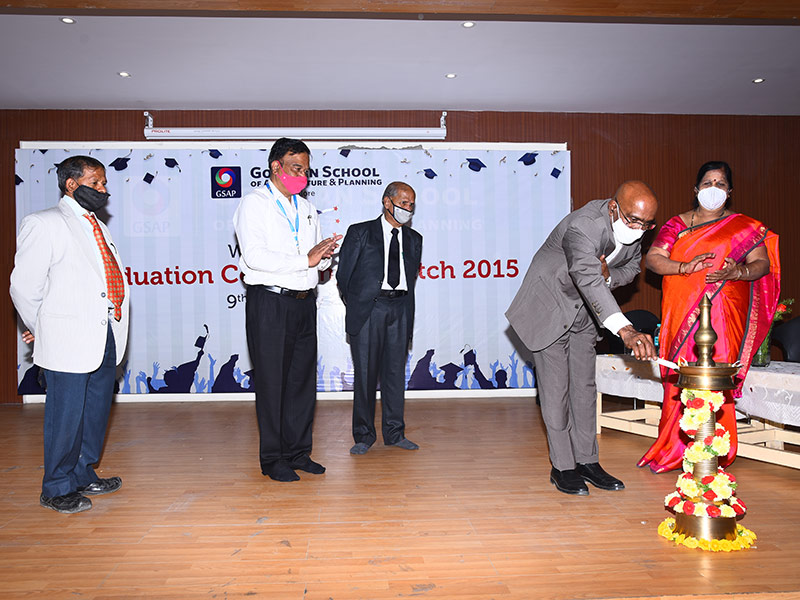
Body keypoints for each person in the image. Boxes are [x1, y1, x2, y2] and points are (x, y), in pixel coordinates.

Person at [506, 181, 658, 495]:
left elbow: (631, 268)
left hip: (586, 312)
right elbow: (586, 275)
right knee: (556, 390)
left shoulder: (636, 229)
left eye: (646, 224)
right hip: (550, 306)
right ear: (614, 208)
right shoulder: (584, 225)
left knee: (584, 387)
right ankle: (563, 467)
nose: (639, 229)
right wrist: (626, 329)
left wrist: (610, 276)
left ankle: (588, 461)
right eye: (633, 220)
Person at [638, 161, 780, 473]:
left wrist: (737, 272)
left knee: (717, 375)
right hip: (681, 311)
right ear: (696, 189)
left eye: (720, 183)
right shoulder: (677, 225)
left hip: (723, 313)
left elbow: (762, 264)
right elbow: (654, 259)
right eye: (707, 183)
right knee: (681, 372)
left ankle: (716, 449)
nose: (713, 188)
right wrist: (684, 267)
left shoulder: (744, 227)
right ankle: (674, 447)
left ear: (729, 191)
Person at [10, 155, 129, 513]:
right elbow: (23, 287)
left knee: (94, 412)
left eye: (104, 183)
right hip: (66, 339)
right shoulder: (43, 223)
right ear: (71, 184)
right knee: (65, 416)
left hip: (105, 333)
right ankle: (56, 487)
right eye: (96, 183)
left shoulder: (98, 225)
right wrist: (42, 328)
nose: (103, 189)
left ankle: (82, 473)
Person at [233, 138, 341, 482]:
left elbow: (314, 262)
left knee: (301, 382)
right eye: (296, 168)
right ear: (275, 166)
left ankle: (298, 453)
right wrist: (305, 260)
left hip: (304, 302)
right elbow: (255, 256)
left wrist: (323, 258)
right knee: (273, 382)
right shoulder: (255, 203)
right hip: (271, 303)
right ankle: (273, 458)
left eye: (306, 170)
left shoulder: (306, 208)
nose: (302, 176)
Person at [336, 182, 423, 454]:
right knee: (365, 375)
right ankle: (363, 436)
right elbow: (344, 276)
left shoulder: (414, 239)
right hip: (369, 310)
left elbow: (410, 278)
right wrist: (360, 305)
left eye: (411, 204)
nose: (408, 208)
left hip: (400, 310)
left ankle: (395, 434)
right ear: (387, 202)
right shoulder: (360, 232)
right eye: (403, 203)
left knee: (395, 375)